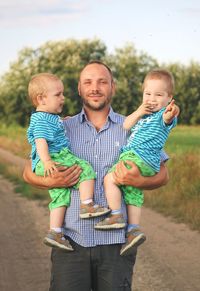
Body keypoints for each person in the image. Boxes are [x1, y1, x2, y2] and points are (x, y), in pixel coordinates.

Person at [23, 61, 169, 291]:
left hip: (116, 245)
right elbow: (28, 171)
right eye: (88, 82)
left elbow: (163, 174)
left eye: (102, 81)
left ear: (113, 87)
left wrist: (139, 181)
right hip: (71, 241)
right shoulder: (62, 127)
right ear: (79, 89)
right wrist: (49, 180)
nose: (95, 87)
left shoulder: (135, 125)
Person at [95, 69, 180, 256]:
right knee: (133, 190)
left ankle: (116, 215)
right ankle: (133, 229)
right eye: (148, 93)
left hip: (139, 157)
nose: (152, 98)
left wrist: (171, 111)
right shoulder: (145, 117)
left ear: (169, 98)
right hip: (145, 162)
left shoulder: (162, 116)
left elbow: (168, 117)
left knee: (109, 179)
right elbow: (126, 125)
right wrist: (140, 111)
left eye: (159, 95)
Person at [27, 73, 110, 251]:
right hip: (55, 157)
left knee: (60, 195)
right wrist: (48, 161)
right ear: (41, 99)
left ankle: (55, 231)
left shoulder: (47, 117)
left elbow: (50, 131)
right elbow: (40, 140)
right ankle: (87, 204)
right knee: (85, 169)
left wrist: (61, 122)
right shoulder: (42, 119)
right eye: (58, 95)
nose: (63, 98)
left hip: (48, 160)